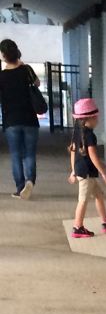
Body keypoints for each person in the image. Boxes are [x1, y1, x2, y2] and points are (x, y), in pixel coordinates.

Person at [67, 98, 106, 239]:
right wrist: (104, 173)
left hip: (83, 171)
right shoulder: (89, 135)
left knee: (99, 195)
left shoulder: (77, 132)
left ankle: (105, 221)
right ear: (88, 118)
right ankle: (77, 227)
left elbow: (73, 152)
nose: (97, 120)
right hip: (86, 174)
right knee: (83, 200)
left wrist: (73, 170)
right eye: (96, 117)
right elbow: (93, 156)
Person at [0, 38, 40, 200]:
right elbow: (36, 83)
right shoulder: (26, 70)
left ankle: (20, 187)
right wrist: (23, 67)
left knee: (16, 155)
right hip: (30, 119)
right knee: (29, 154)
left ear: (3, 55)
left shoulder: (1, 76)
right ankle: (30, 181)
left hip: (11, 121)